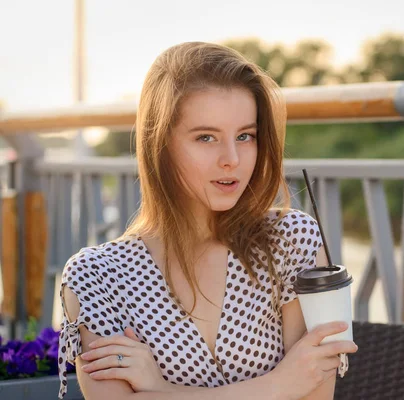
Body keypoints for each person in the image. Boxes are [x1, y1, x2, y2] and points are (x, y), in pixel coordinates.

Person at [58, 42, 358, 400]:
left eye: (245, 136)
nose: (232, 159)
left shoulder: (292, 241)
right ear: (160, 144)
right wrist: (279, 385)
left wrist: (159, 390)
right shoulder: (96, 276)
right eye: (206, 137)